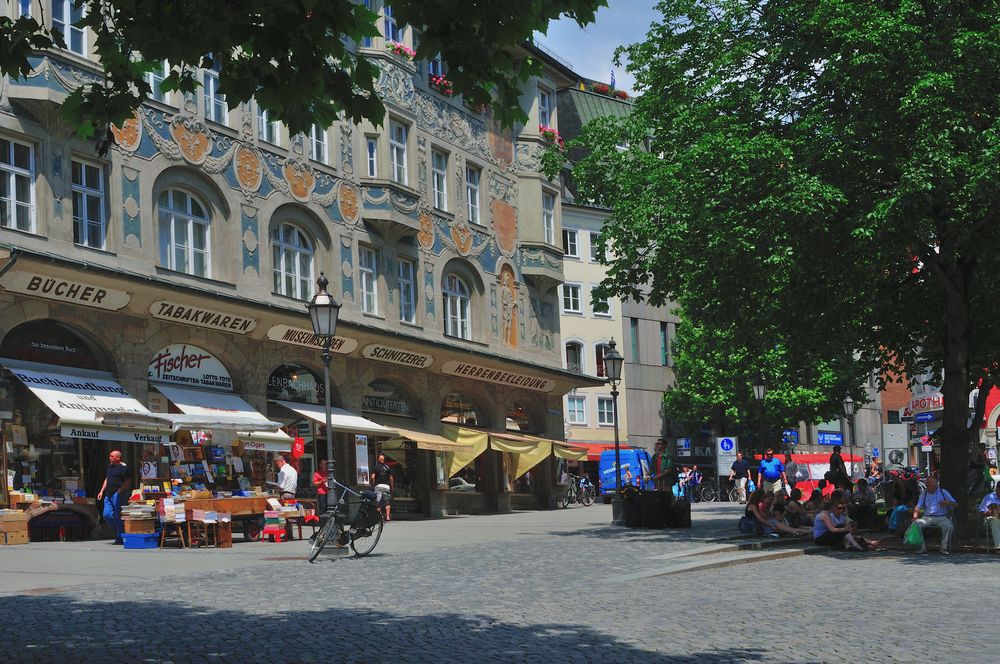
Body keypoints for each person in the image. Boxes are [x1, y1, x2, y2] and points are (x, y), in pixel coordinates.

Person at [911, 476, 957, 555]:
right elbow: (918, 507)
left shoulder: (943, 492)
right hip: (927, 517)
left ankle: (943, 547)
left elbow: (956, 504)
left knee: (948, 526)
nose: (927, 484)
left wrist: (947, 503)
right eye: (926, 483)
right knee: (916, 524)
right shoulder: (924, 493)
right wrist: (915, 516)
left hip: (941, 517)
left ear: (935, 483)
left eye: (929, 483)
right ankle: (922, 547)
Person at [96, 450, 131, 545]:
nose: (110, 457)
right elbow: (107, 478)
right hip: (108, 495)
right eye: (110, 456)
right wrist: (101, 491)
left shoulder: (124, 468)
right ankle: (120, 531)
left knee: (118, 516)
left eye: (112, 456)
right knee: (107, 515)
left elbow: (128, 482)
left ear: (118, 458)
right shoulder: (110, 466)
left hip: (118, 494)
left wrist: (119, 491)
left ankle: (120, 537)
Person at [372, 454, 394, 521]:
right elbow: (391, 478)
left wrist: (373, 484)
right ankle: (387, 517)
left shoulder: (375, 467)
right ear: (383, 460)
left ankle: (380, 516)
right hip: (386, 486)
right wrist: (392, 487)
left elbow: (373, 477)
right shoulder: (387, 467)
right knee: (387, 502)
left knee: (378, 502)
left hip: (378, 486)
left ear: (378, 460)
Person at [979, 483, 1000, 552]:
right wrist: (988, 513)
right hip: (989, 519)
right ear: (996, 488)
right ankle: (998, 548)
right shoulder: (989, 497)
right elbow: (981, 511)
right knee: (995, 521)